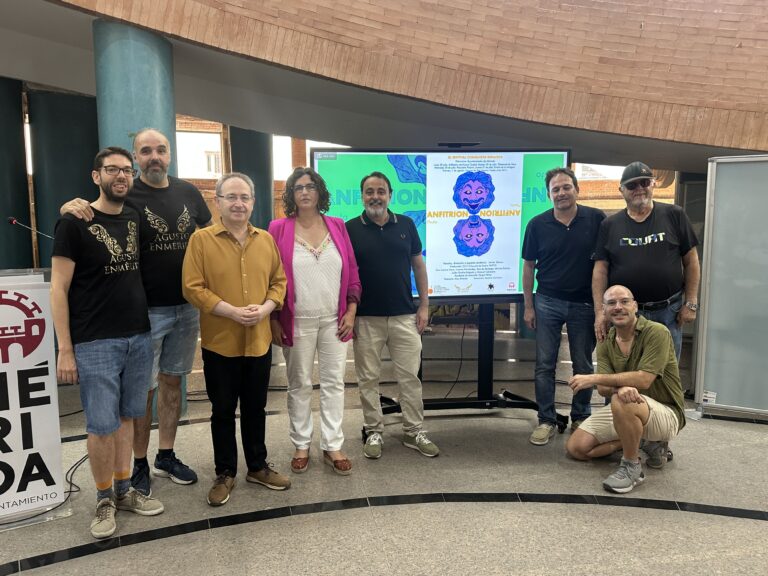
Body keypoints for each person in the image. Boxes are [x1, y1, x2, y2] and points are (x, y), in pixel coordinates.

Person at [61, 128, 211, 496]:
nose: (154, 156)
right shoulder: (126, 193)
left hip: (186, 307)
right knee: (141, 392)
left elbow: (210, 234)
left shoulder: (189, 192)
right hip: (145, 312)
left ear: (170, 155)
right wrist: (69, 206)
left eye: (161, 150)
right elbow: (92, 214)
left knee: (173, 381)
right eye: (146, 151)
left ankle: (167, 454)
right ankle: (138, 462)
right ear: (136, 157)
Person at [51, 146, 164, 539]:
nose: (121, 175)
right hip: (95, 340)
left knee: (130, 417)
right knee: (101, 425)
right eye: (112, 169)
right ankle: (102, 500)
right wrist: (65, 348)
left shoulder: (133, 216)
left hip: (138, 334)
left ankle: (124, 489)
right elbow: (58, 288)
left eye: (126, 170)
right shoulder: (74, 222)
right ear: (95, 175)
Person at [182, 172, 289, 506]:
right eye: (232, 197)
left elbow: (279, 281)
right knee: (223, 410)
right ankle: (225, 472)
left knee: (256, 408)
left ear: (253, 202)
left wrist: (268, 307)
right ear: (218, 202)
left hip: (258, 341)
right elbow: (192, 287)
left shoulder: (266, 240)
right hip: (220, 343)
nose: (239, 203)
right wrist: (229, 311)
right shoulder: (201, 240)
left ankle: (257, 466)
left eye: (245, 197)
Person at [268, 167, 361, 475]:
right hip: (297, 321)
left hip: (336, 320)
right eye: (298, 188)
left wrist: (351, 310)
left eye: (310, 186)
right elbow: (269, 276)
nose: (305, 192)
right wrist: (274, 320)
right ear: (291, 195)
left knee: (335, 383)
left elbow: (352, 273)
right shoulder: (278, 228)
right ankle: (301, 444)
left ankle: (333, 445)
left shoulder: (337, 226)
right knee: (299, 385)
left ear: (320, 192)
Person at [346, 171, 439, 459]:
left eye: (381, 191)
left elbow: (419, 267)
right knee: (368, 379)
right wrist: (349, 313)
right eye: (369, 191)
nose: (375, 196)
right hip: (365, 318)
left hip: (404, 316)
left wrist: (424, 305)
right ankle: (373, 430)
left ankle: (414, 431)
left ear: (390, 195)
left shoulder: (407, 224)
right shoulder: (349, 229)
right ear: (362, 196)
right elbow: (346, 275)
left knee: (410, 377)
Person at [565, 285, 686, 494]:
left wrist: (594, 378)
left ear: (635, 306)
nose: (618, 307)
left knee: (623, 401)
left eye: (624, 301)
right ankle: (635, 441)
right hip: (627, 408)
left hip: (667, 413)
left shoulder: (657, 332)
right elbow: (603, 389)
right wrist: (618, 389)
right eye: (611, 303)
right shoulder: (606, 340)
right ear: (604, 310)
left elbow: (644, 379)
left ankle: (632, 466)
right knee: (577, 448)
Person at [522, 167, 606, 445]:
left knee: (582, 364)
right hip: (547, 302)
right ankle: (546, 420)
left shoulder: (596, 219)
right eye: (555, 189)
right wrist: (529, 306)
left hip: (584, 304)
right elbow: (528, 267)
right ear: (549, 194)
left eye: (566, 187)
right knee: (544, 365)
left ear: (577, 189)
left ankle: (581, 416)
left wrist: (600, 309)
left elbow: (604, 265)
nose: (561, 193)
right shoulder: (536, 224)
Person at [592, 161, 700, 362]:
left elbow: (692, 261)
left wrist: (691, 304)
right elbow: (600, 271)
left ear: (653, 184)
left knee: (665, 374)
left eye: (644, 183)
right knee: (623, 370)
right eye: (632, 185)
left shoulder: (674, 215)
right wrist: (600, 312)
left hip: (668, 312)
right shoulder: (610, 224)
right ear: (621, 190)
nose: (639, 189)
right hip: (625, 314)